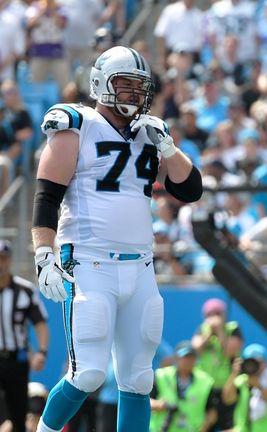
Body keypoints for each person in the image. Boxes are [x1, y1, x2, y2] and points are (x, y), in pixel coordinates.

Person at [31, 45, 203, 432]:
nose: (132, 94)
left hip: (141, 266)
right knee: (88, 373)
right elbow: (46, 199)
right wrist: (44, 254)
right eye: (123, 83)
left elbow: (191, 190)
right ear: (100, 83)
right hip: (89, 262)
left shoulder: (151, 132)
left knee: (140, 379)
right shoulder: (77, 123)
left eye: (138, 86)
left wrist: (168, 148)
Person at [0, 240, 49, 432]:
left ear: (9, 260)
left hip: (16, 360)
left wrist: (42, 352)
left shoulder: (25, 290)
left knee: (18, 413)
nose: (1, 263)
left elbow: (40, 323)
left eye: (4, 259)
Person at [191, 298, 243, 431]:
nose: (214, 318)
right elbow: (196, 348)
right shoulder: (202, 330)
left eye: (217, 314)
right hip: (207, 389)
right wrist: (208, 334)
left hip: (228, 388)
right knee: (205, 424)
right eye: (210, 314)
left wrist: (220, 331)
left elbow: (229, 351)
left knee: (229, 425)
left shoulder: (232, 329)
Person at [149, 341, 216, 432]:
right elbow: (146, 401)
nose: (188, 361)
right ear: (176, 358)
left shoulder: (205, 381)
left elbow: (212, 412)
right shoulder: (161, 376)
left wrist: (203, 429)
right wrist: (160, 405)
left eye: (191, 357)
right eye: (185, 357)